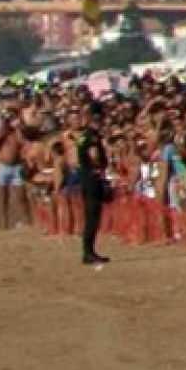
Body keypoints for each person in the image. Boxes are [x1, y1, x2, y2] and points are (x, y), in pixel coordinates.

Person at [75, 110, 111, 265]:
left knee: (91, 215)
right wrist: (98, 167)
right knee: (92, 216)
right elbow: (94, 154)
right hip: (92, 177)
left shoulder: (83, 136)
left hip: (85, 176)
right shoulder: (92, 137)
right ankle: (88, 252)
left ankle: (89, 251)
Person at [0, 114, 31, 228]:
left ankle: (28, 221)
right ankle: (4, 222)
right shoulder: (2, 134)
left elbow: (25, 145)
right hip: (3, 167)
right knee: (3, 197)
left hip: (16, 167)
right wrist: (0, 137)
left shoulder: (19, 134)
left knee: (21, 195)